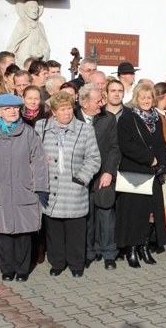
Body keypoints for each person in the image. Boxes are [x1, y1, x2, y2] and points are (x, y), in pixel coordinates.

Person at [0, 93, 49, 282]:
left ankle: (22, 269)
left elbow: (39, 162)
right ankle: (7, 269)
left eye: (15, 108)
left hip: (23, 189)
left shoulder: (29, 133)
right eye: (7, 109)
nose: (12, 112)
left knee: (24, 233)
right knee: (3, 233)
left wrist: (40, 188)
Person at [36, 92, 101, 278]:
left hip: (74, 188)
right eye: (62, 109)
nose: (67, 112)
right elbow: (32, 152)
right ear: (54, 112)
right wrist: (41, 159)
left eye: (69, 108)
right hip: (51, 188)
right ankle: (57, 263)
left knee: (75, 231)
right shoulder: (41, 127)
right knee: (54, 230)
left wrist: (81, 179)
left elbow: (94, 158)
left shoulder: (84, 129)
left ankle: (76, 264)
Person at [116, 83, 166, 268]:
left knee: (151, 213)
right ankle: (131, 249)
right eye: (143, 97)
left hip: (153, 172)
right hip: (135, 172)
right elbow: (126, 145)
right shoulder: (127, 118)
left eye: (149, 97)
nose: (146, 101)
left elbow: (161, 144)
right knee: (135, 214)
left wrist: (163, 162)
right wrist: (150, 159)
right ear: (136, 99)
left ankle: (144, 247)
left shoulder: (157, 118)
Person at [75, 84, 121, 270]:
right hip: (81, 178)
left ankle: (109, 253)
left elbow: (114, 148)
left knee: (106, 215)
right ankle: (88, 253)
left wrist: (109, 172)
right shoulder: (74, 118)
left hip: (103, 176)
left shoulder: (108, 119)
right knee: (86, 216)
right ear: (84, 103)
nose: (102, 104)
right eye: (97, 101)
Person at [7, 0, 50, 67]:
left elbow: (45, 47)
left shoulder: (40, 26)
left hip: (36, 64)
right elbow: (12, 45)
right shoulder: (22, 23)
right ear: (25, 10)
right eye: (31, 7)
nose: (34, 10)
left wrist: (42, 55)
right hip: (22, 63)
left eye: (36, 7)